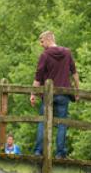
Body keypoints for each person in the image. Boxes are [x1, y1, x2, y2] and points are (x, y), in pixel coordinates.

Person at [30, 30, 79, 159]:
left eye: (41, 41)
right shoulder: (67, 53)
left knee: (43, 121)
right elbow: (74, 73)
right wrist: (77, 91)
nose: (41, 44)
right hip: (64, 94)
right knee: (62, 123)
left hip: (48, 95)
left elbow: (38, 77)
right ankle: (60, 153)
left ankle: (38, 151)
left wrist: (33, 93)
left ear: (48, 39)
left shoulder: (45, 56)